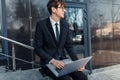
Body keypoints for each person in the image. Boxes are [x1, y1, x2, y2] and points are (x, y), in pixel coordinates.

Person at [34, 0, 88, 80]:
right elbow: (38, 48)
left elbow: (69, 47)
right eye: (61, 8)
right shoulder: (41, 25)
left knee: (82, 77)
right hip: (49, 64)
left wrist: (77, 63)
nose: (64, 10)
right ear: (53, 9)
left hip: (64, 61)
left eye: (64, 8)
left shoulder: (65, 25)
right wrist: (52, 60)